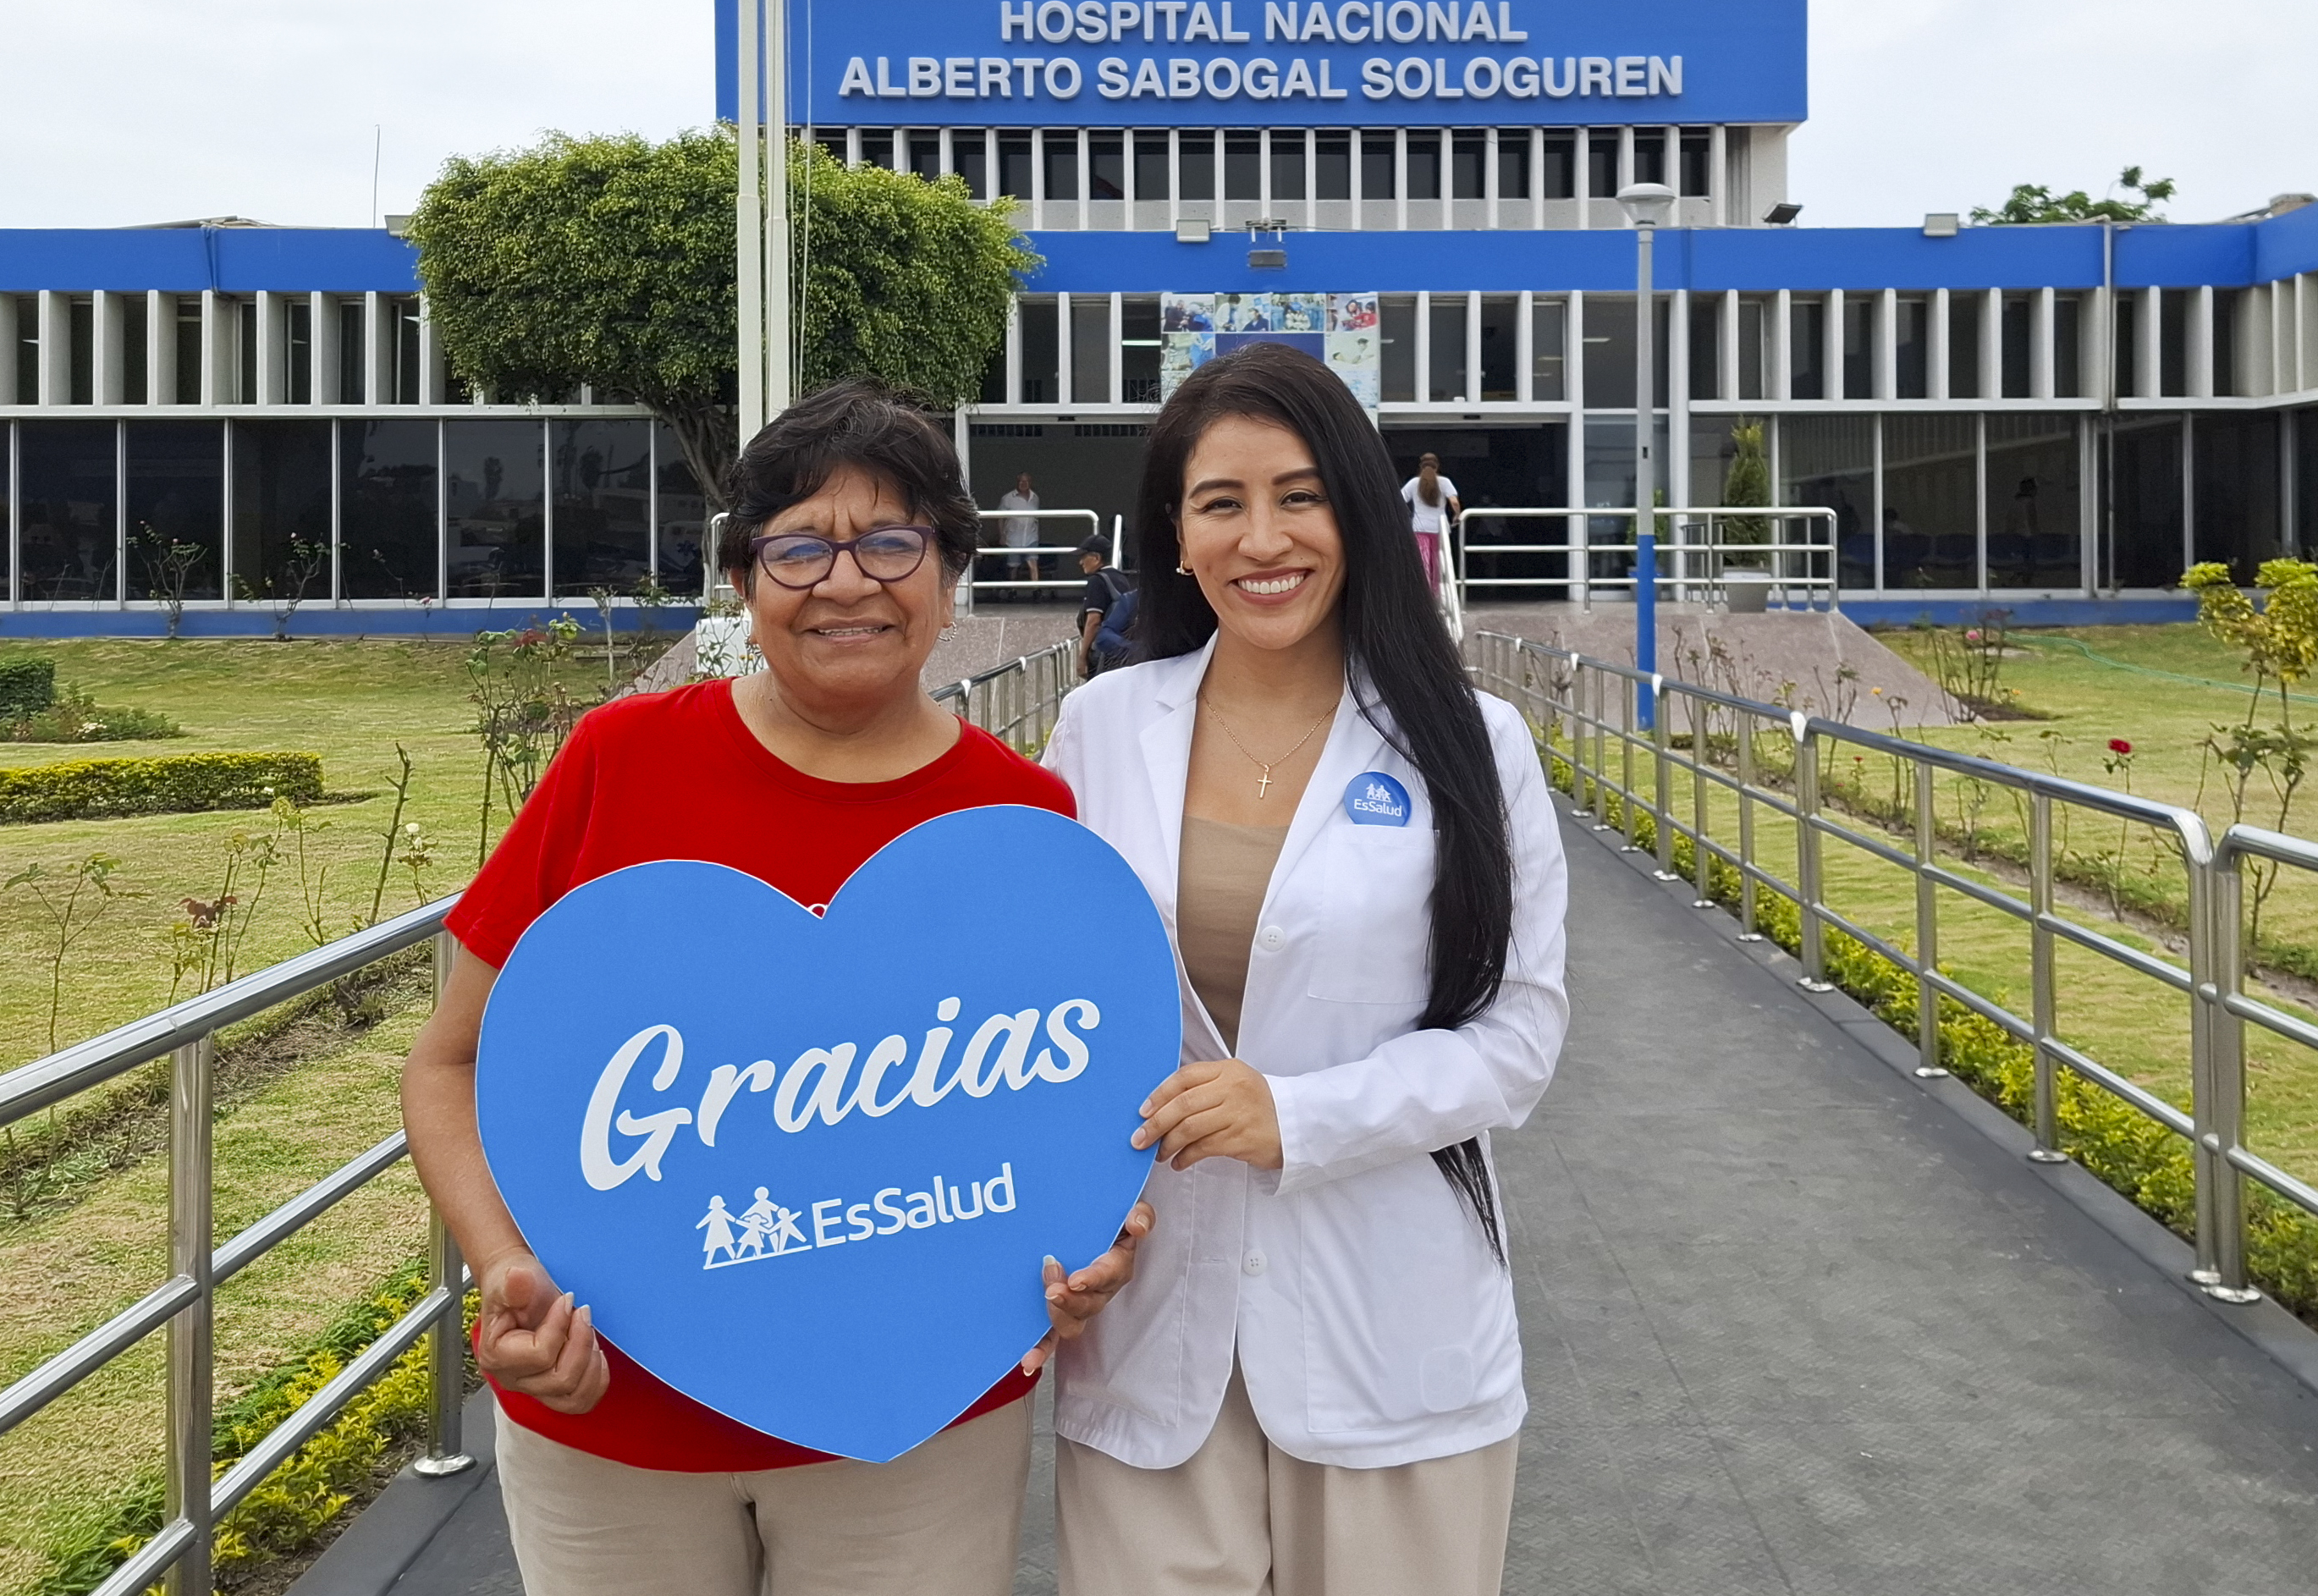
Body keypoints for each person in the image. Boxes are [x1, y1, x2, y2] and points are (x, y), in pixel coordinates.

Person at [401, 380, 1151, 1596]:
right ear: (744, 578)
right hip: (614, 1420)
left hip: (920, 1424)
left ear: (950, 571)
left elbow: (1072, 1113)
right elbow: (448, 1061)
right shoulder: (619, 761)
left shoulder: (1024, 821)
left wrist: (1089, 1235)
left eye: (891, 541)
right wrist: (505, 1274)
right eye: (799, 546)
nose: (846, 581)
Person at [1039, 344, 1569, 1596]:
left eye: (1301, 493)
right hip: (1149, 1321)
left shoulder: (1471, 741)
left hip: (1390, 1331)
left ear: (1361, 514)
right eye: (1220, 500)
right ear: (1173, 531)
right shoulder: (1100, 727)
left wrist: (1298, 1114)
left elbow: (1519, 1037)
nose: (1262, 536)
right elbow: (1042, 1014)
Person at [1398, 453, 1462, 594]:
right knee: (1438, 562)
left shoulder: (1414, 483)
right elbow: (1455, 502)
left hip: (1419, 528)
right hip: (1440, 529)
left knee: (1424, 562)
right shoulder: (1445, 482)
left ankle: (1424, 594)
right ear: (1437, 466)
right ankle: (1437, 593)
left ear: (1420, 466)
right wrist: (1456, 516)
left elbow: (1399, 501)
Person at [1074, 535, 1133, 677]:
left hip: (1103, 655)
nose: (1081, 562)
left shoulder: (1097, 581)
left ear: (1096, 558)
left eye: (1084, 556)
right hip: (1122, 651)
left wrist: (1082, 657)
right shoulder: (1121, 578)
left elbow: (1093, 621)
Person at [998, 469, 1043, 585]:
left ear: (1030, 482)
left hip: (1031, 537)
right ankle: (1012, 590)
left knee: (1033, 563)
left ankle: (1036, 590)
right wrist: (1002, 536)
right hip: (1013, 538)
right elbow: (1000, 518)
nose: (1024, 484)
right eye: (1021, 482)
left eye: (1026, 481)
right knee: (1014, 567)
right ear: (1017, 483)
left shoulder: (1035, 498)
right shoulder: (1007, 498)